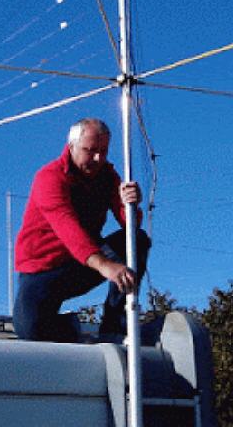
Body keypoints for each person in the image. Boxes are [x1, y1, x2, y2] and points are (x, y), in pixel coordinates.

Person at [13, 117, 151, 342]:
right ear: (71, 147)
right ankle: (69, 327)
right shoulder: (49, 177)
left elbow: (130, 225)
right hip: (43, 270)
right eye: (90, 150)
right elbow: (68, 228)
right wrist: (105, 265)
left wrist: (131, 205)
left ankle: (114, 327)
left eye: (103, 151)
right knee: (30, 331)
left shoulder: (107, 176)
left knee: (137, 240)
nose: (98, 158)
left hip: (83, 265)